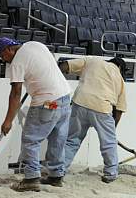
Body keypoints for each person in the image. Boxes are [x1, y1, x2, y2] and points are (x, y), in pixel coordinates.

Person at [0, 37, 71, 192]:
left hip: (46, 102)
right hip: (62, 101)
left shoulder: (17, 62)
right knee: (57, 139)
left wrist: (7, 121)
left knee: (30, 140)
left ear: (7, 50)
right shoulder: (35, 45)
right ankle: (56, 176)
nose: (5, 61)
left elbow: (16, 94)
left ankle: (31, 178)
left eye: (3, 57)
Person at [52, 56, 128, 185]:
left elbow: (65, 66)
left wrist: (52, 74)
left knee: (72, 140)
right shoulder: (120, 79)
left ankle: (59, 170)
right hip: (102, 107)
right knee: (108, 143)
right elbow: (119, 110)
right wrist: (112, 131)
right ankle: (110, 173)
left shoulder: (93, 61)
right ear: (120, 68)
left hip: (80, 102)